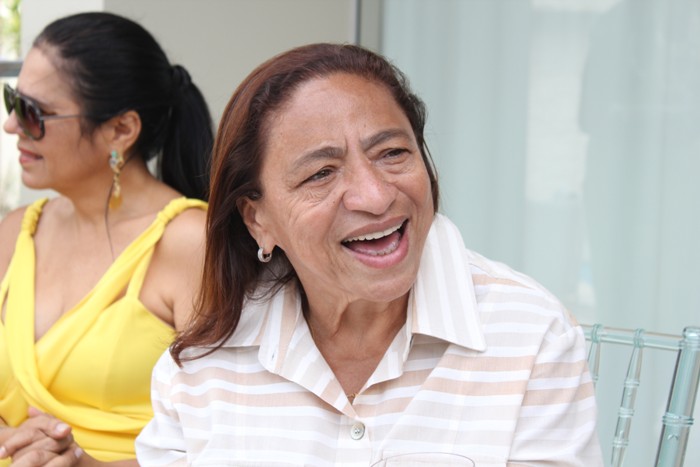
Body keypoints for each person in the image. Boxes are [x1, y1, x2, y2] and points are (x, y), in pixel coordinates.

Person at [136, 43, 604, 466]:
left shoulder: (529, 337)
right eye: (321, 173)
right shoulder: (202, 367)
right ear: (258, 220)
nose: (375, 197)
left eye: (392, 153)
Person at [0, 11, 213, 466]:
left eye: (33, 112)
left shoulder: (191, 243)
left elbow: (230, 443)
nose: (11, 125)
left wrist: (84, 464)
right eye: (12, 100)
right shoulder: (17, 231)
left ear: (121, 130)